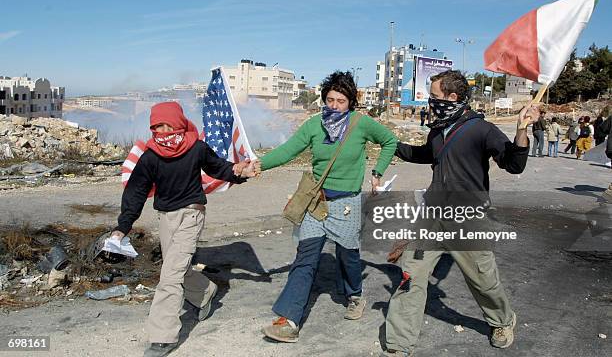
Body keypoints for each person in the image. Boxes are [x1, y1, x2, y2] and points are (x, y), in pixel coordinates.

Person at [382, 70, 540, 356]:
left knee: (482, 279)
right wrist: (392, 146)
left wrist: (521, 130)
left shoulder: (481, 130)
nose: (430, 101)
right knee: (411, 275)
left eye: (434, 96)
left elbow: (513, 164)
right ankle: (399, 343)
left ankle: (502, 321)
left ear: (452, 97)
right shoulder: (437, 129)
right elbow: (426, 155)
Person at [257, 71, 397, 343]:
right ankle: (289, 320)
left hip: (347, 204)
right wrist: (258, 165)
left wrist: (378, 171)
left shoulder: (361, 124)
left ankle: (354, 295)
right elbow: (287, 151)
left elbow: (389, 141)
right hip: (317, 202)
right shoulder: (314, 125)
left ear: (350, 102)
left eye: (340, 100)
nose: (334, 105)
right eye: (330, 99)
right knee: (305, 257)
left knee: (348, 256)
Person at [112, 101, 257, 357]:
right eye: (157, 126)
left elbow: (219, 168)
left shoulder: (196, 147)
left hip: (192, 214)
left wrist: (240, 172)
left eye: (167, 125)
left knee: (169, 277)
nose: (163, 131)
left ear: (178, 123)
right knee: (176, 267)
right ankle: (206, 292)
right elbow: (135, 193)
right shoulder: (150, 156)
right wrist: (122, 227)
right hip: (166, 218)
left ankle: (162, 337)